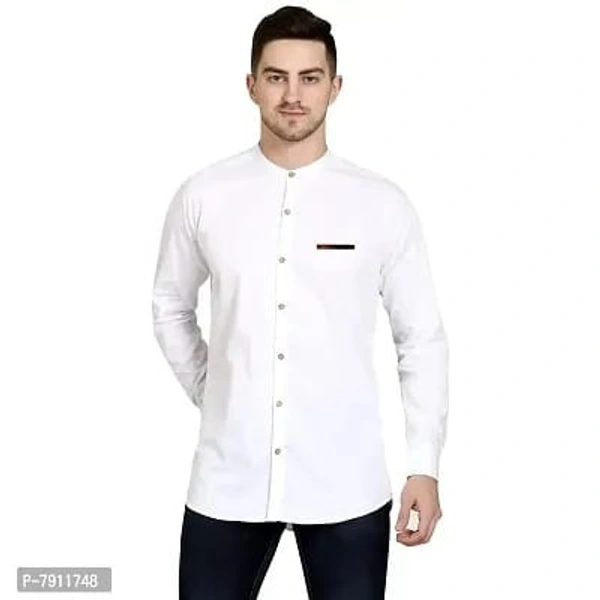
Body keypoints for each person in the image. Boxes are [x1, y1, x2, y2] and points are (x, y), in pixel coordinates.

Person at [151, 5, 449, 599]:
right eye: (277, 77)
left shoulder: (381, 205)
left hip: (347, 484)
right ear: (251, 84)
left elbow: (421, 337)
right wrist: (215, 391)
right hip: (226, 482)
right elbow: (170, 306)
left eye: (310, 78)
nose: (293, 95)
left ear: (334, 87)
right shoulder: (204, 196)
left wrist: (425, 463)